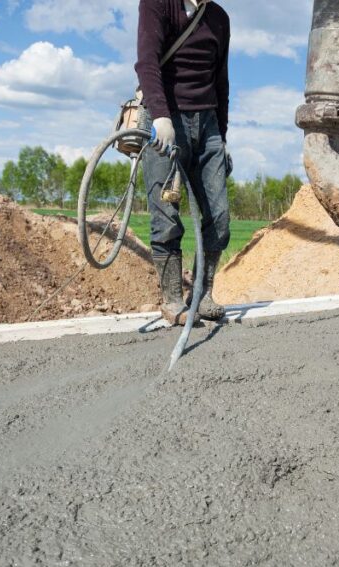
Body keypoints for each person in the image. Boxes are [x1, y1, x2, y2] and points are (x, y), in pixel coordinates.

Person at [136, 0, 231, 324]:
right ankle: (173, 300)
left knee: (219, 217)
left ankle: (202, 294)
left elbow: (221, 81)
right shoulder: (157, 4)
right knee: (166, 217)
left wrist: (222, 135)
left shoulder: (219, 17)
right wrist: (160, 116)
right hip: (165, 119)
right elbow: (147, 63)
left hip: (208, 126)